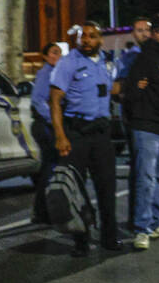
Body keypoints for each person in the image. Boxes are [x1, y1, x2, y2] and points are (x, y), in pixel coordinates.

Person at [50, 23, 123, 256]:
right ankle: (81, 242)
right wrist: (60, 136)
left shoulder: (106, 62)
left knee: (107, 187)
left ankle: (110, 239)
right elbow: (55, 100)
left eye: (92, 36)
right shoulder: (68, 62)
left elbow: (111, 89)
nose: (87, 40)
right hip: (78, 132)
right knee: (77, 190)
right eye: (83, 37)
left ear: (101, 39)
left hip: (102, 133)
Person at [124, 13, 159, 250]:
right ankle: (141, 228)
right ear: (152, 32)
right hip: (145, 126)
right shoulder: (144, 57)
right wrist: (137, 88)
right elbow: (131, 92)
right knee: (145, 179)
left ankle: (157, 222)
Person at [115, 18, 152, 229]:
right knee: (139, 170)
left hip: (152, 118)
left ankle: (149, 216)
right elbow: (120, 89)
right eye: (140, 30)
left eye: (147, 30)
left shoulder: (156, 55)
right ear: (134, 35)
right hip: (135, 118)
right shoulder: (130, 58)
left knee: (151, 172)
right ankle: (136, 219)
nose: (145, 34)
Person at [30, 42, 63, 224]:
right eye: (54, 53)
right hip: (45, 126)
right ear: (45, 56)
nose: (57, 56)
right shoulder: (46, 73)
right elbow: (37, 100)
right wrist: (53, 120)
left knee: (50, 166)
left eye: (59, 53)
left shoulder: (55, 72)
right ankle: (42, 211)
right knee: (50, 166)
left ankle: (43, 210)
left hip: (48, 125)